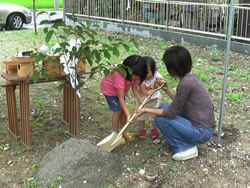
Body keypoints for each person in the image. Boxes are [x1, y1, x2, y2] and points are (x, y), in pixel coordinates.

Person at [136, 46, 216, 160]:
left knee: (160, 118)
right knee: (163, 107)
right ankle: (187, 140)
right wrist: (167, 89)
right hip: (202, 125)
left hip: (201, 132)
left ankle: (185, 148)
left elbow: (171, 113)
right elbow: (179, 104)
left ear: (174, 68)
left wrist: (145, 109)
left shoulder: (185, 83)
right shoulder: (191, 77)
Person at [101, 55, 148, 142]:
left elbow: (134, 88)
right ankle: (116, 135)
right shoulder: (119, 76)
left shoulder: (137, 75)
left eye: (137, 76)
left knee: (123, 111)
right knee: (118, 111)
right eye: (134, 75)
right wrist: (128, 114)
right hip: (110, 91)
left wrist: (142, 101)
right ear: (127, 70)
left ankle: (124, 131)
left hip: (121, 92)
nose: (135, 78)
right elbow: (121, 99)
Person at [137, 56, 163, 140]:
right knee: (141, 116)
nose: (144, 74)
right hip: (142, 100)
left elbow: (161, 81)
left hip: (154, 100)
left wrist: (159, 82)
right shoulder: (141, 77)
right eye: (143, 71)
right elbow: (141, 87)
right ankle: (142, 129)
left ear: (153, 70)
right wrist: (146, 93)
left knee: (154, 116)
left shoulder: (156, 75)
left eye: (147, 72)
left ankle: (154, 129)